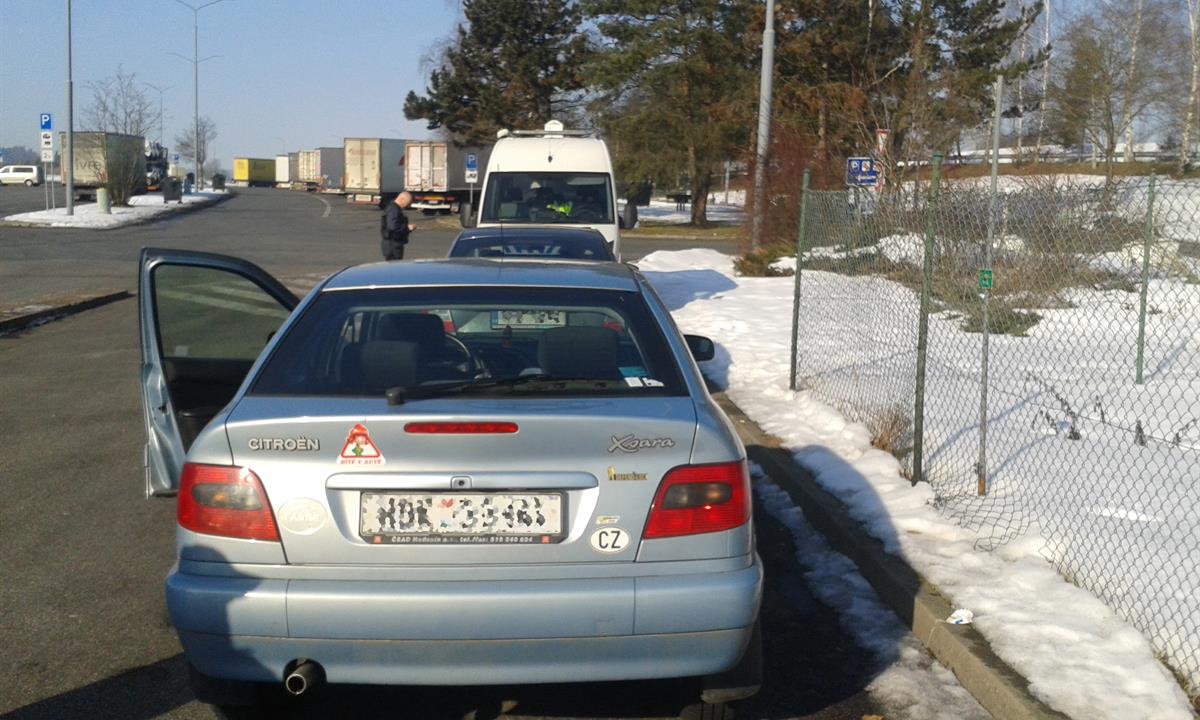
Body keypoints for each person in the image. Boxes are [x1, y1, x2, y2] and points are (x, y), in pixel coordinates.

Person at [381, 191, 416, 260]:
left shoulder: (393, 208)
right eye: (407, 203)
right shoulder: (394, 209)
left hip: (393, 243)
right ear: (402, 199)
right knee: (394, 264)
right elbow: (392, 226)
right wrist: (407, 228)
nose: (408, 205)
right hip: (393, 244)